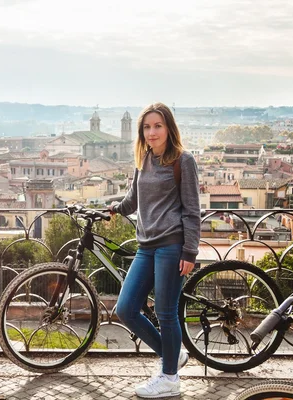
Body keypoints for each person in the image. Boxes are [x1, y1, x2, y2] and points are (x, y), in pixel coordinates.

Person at [108, 102, 200, 398]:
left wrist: (190, 251)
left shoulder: (183, 161)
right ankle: (172, 355)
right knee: (125, 309)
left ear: (169, 128)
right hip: (145, 245)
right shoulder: (143, 159)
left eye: (157, 126)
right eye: (147, 127)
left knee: (165, 312)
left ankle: (169, 378)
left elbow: (192, 209)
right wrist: (113, 209)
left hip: (172, 245)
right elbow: (133, 199)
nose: (152, 132)